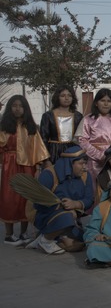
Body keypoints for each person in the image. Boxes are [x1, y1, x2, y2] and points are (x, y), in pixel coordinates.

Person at [0, 95, 50, 245]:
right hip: (10, 166)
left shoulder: (31, 127)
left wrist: (40, 166)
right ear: (10, 108)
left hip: (28, 166)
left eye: (20, 106)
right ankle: (9, 234)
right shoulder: (4, 127)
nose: (17, 108)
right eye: (14, 105)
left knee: (26, 198)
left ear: (25, 108)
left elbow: (38, 149)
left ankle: (23, 233)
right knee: (9, 198)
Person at [30, 146, 93, 254]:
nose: (85, 167)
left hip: (71, 220)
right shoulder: (49, 174)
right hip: (46, 216)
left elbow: (89, 199)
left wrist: (76, 204)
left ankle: (50, 238)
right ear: (70, 163)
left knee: (79, 244)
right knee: (68, 216)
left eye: (85, 163)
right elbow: (37, 203)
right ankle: (46, 239)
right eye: (81, 163)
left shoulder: (85, 176)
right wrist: (62, 207)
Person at [76, 88, 111, 186]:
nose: (106, 104)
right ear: (96, 103)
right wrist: (100, 155)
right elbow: (82, 140)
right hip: (94, 162)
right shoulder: (87, 120)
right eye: (102, 101)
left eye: (109, 101)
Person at [39, 85, 84, 165]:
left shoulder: (78, 116)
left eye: (69, 95)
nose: (66, 98)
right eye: (63, 95)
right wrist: (46, 160)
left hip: (73, 152)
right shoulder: (48, 116)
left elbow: (82, 138)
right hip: (54, 152)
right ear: (57, 97)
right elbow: (43, 139)